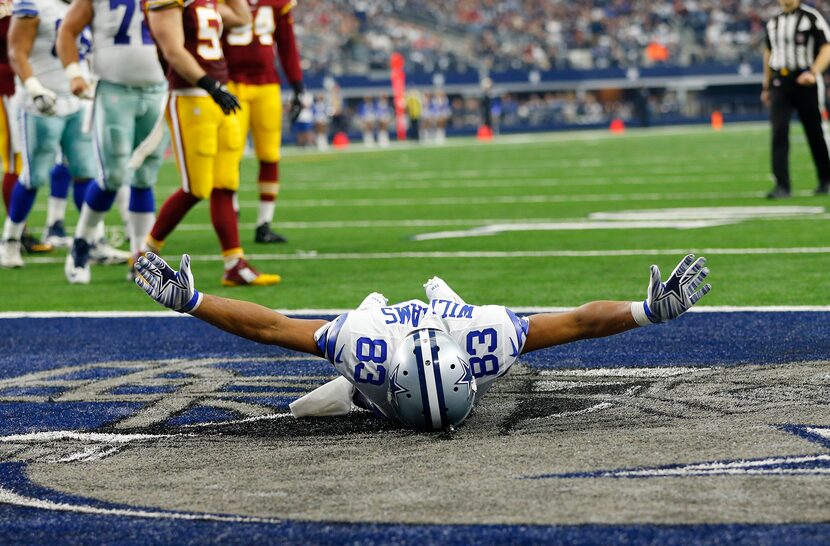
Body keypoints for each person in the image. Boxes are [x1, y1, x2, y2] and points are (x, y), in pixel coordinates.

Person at [134, 252, 711, 431]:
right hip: (385, 339)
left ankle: (351, 397)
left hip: (432, 331)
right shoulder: (368, 348)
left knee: (307, 409)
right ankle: (354, 397)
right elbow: (267, 326)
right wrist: (644, 313)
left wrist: (646, 310)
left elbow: (271, 327)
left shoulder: (479, 341)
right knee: (312, 407)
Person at [142, 0, 280, 286]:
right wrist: (211, 86)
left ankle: (234, 264)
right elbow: (172, 51)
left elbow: (242, 18)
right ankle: (146, 253)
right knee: (196, 187)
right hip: (192, 94)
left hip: (219, 93)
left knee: (226, 183)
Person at [56, 0, 168, 284]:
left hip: (159, 89)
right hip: (115, 88)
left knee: (146, 176)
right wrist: (73, 74)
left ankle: (140, 257)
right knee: (113, 176)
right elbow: (67, 30)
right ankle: (82, 244)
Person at [1, 0, 100, 268]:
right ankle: (9, 240)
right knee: (33, 176)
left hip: (78, 99)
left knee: (85, 173)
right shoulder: (33, 4)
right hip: (40, 103)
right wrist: (34, 88)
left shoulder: (85, 4)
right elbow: (16, 51)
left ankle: (90, 240)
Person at [222, 0, 306, 245]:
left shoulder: (278, 3)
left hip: (267, 84)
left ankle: (264, 224)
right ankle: (231, 211)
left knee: (270, 154)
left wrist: (298, 85)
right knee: (230, 152)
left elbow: (287, 46)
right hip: (232, 82)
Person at [762, 0, 830, 199]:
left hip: (805, 82)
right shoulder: (773, 22)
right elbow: (768, 52)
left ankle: (826, 179)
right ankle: (782, 185)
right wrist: (766, 84)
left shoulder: (811, 17)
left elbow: (826, 48)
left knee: (815, 132)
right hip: (779, 83)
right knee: (779, 132)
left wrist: (813, 72)